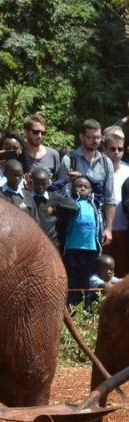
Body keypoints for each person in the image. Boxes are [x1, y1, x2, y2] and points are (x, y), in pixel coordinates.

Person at [57, 119, 116, 246]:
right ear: (81, 136)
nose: (95, 141)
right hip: (72, 224)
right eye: (90, 137)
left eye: (98, 137)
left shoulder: (106, 163)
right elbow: (62, 196)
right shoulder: (69, 160)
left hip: (97, 226)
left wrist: (109, 229)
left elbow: (110, 199)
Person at [62, 176, 103, 310]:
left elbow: (99, 186)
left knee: (85, 280)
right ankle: (71, 308)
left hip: (90, 249)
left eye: (85, 186)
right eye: (79, 185)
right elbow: (53, 188)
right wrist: (68, 179)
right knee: (71, 280)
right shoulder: (69, 201)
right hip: (72, 248)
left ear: (90, 190)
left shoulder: (94, 203)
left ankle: (86, 309)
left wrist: (83, 175)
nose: (83, 188)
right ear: (73, 188)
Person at [27, 166, 76, 254]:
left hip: (52, 244)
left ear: (49, 182)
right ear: (32, 181)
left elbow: (75, 207)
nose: (40, 187)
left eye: (43, 183)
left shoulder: (55, 198)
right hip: (31, 243)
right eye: (37, 183)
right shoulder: (27, 197)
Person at [104, 128, 128, 276]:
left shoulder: (128, 171)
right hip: (103, 231)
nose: (117, 152)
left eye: (120, 149)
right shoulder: (97, 170)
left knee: (122, 272)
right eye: (112, 149)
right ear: (105, 149)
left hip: (124, 230)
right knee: (102, 272)